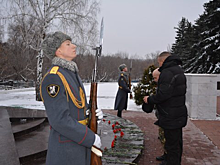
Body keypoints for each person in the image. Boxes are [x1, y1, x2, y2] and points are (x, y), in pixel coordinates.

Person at [40, 31, 103, 165]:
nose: (74, 46)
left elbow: (77, 107)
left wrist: (92, 115)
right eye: (68, 44)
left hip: (78, 142)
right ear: (58, 51)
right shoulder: (54, 77)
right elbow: (59, 120)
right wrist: (89, 137)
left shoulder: (70, 73)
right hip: (66, 149)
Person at [143, 51, 188, 165]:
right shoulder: (177, 69)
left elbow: (164, 94)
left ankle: (171, 162)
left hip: (171, 113)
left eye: (159, 62)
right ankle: (168, 157)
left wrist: (149, 99)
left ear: (163, 61)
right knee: (174, 140)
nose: (159, 65)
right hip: (175, 112)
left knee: (173, 142)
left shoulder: (168, 72)